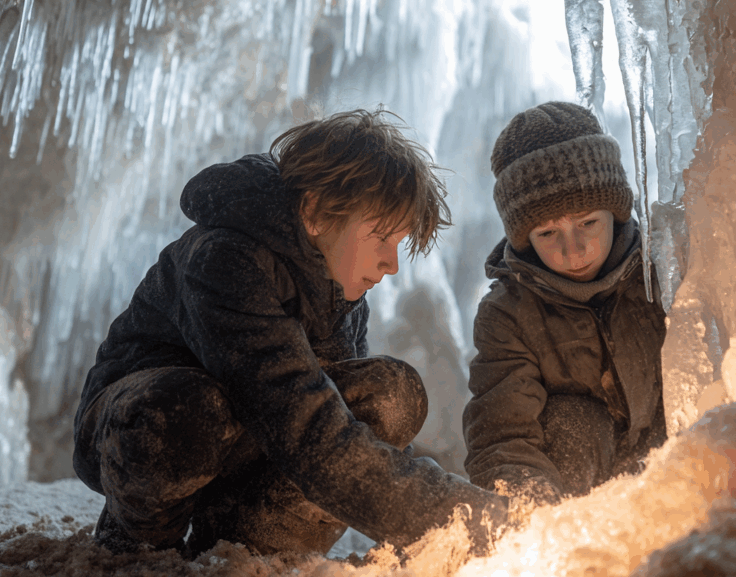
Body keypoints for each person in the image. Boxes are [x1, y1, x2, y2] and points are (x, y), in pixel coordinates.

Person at [73, 108, 507, 557]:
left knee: (391, 394)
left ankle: (250, 548)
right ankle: (137, 544)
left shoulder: (339, 287)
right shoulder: (224, 260)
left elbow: (337, 425)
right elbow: (308, 430)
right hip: (140, 429)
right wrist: (468, 519)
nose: (391, 265)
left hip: (254, 435)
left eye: (397, 244)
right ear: (316, 212)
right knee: (191, 410)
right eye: (381, 237)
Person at [462, 101, 667, 504]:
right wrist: (532, 518)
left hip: (678, 471)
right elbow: (502, 436)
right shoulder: (507, 315)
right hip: (577, 500)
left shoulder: (667, 268)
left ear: (616, 210)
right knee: (572, 423)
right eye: (547, 234)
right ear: (523, 238)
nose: (573, 253)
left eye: (588, 223)